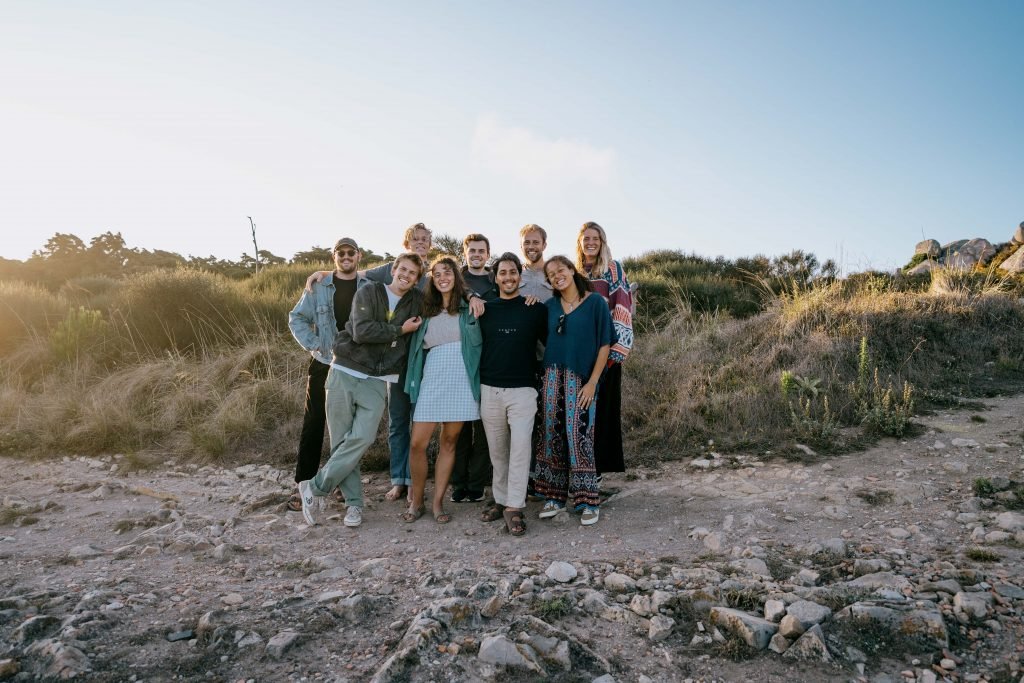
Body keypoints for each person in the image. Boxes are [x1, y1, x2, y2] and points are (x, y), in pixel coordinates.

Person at [305, 223, 437, 505]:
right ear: (404, 247)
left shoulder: (434, 275)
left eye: (425, 239)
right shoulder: (383, 275)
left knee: (417, 422)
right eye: (415, 239)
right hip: (376, 368)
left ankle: (413, 483)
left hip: (411, 362)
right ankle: (398, 481)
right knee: (398, 421)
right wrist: (326, 273)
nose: (421, 243)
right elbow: (355, 273)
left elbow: (456, 291)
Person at [287, 237, 368, 511]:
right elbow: (296, 317)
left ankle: (343, 486)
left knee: (347, 429)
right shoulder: (319, 287)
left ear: (359, 256)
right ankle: (303, 485)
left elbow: (396, 270)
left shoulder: (369, 286)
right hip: (324, 363)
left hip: (356, 366)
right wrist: (314, 344)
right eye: (341, 253)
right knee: (314, 425)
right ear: (334, 256)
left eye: (351, 253)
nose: (346, 257)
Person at [402, 255, 483, 524]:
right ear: (432, 280)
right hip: (432, 376)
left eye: (447, 273)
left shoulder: (468, 307)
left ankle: (437, 503)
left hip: (461, 377)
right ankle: (417, 501)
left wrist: (472, 296)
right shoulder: (425, 308)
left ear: (456, 277)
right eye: (437, 274)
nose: (442, 278)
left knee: (449, 442)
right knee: (417, 443)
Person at [534, 255, 613, 526]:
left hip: (582, 380)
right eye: (551, 274)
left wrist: (593, 382)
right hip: (551, 377)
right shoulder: (549, 306)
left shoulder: (595, 303)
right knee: (551, 434)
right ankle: (553, 497)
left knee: (579, 435)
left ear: (571, 270)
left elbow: (605, 345)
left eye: (561, 269)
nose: (557, 275)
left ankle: (587, 500)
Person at [477, 253, 547, 535]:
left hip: (523, 389)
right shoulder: (485, 310)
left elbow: (550, 342)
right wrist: (472, 298)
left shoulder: (535, 309)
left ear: (520, 275)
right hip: (489, 387)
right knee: (498, 451)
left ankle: (515, 507)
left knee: (520, 448)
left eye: (513, 272)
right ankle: (500, 498)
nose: (508, 277)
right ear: (495, 278)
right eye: (502, 273)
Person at [575, 221, 633, 479]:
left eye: (595, 238)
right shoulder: (575, 271)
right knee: (580, 410)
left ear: (602, 242)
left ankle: (597, 470)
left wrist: (615, 349)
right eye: (586, 238)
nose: (590, 242)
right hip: (579, 353)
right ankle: (580, 465)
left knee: (604, 411)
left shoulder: (612, 269)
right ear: (579, 241)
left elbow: (622, 306)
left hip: (606, 352)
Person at [451, 233, 496, 503]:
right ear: (465, 253)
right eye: (472, 250)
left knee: (483, 424)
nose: (477, 254)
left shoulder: (495, 279)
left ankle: (477, 483)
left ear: (488, 254)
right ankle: (458, 482)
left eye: (481, 250)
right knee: (459, 426)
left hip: (489, 357)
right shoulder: (456, 279)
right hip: (459, 357)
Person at [518, 224, 553, 302]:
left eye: (536, 242)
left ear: (544, 245)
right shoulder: (514, 274)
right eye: (526, 243)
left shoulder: (554, 273)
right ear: (521, 246)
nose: (531, 246)